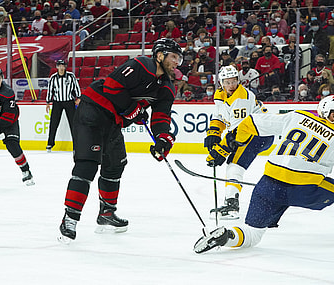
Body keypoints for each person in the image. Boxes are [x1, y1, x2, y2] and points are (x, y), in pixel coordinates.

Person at [195, 95, 334, 254]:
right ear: (332, 115)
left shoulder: (297, 117)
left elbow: (250, 122)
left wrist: (226, 145)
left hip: (268, 185)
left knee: (252, 234)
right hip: (305, 190)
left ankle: (228, 236)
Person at [58, 38, 183, 242]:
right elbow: (112, 86)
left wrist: (163, 138)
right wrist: (134, 110)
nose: (177, 62)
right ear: (159, 55)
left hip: (112, 121)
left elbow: (161, 117)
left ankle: (106, 213)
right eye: (174, 57)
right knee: (87, 165)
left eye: (179, 58)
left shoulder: (167, 88)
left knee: (116, 164)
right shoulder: (143, 65)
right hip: (93, 111)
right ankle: (70, 218)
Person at [203, 65, 273, 219]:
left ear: (238, 81)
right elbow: (220, 115)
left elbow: (238, 134)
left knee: (235, 165)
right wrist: (214, 132)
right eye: (227, 82)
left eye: (234, 81)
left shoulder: (241, 98)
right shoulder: (220, 94)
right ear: (221, 83)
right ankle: (231, 203)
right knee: (233, 164)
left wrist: (220, 151)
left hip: (259, 133)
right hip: (251, 132)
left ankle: (231, 207)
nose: (231, 86)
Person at [46, 60, 81, 152]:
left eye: (63, 66)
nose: (61, 68)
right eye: (60, 66)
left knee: (73, 124)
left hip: (69, 101)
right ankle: (50, 144)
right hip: (57, 102)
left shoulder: (71, 76)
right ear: (57, 67)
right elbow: (50, 90)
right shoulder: (53, 78)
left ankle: (76, 145)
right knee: (53, 123)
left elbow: (76, 87)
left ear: (65, 67)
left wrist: (79, 98)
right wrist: (48, 102)